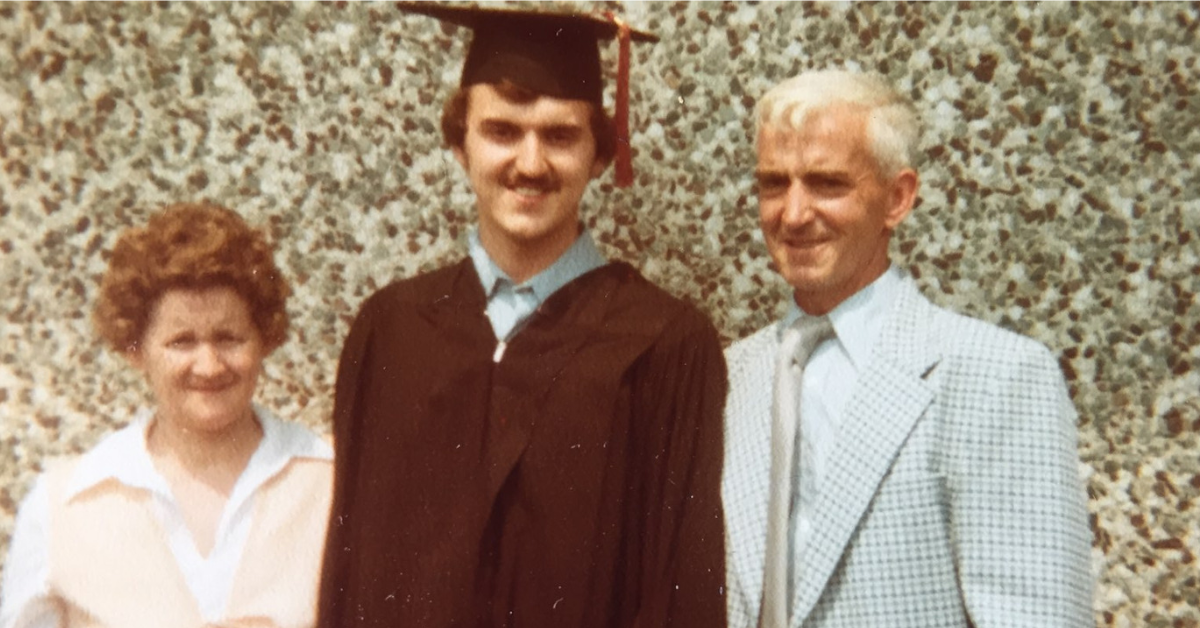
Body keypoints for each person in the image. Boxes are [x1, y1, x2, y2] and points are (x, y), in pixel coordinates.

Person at [317, 5, 727, 628]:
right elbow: (349, 579)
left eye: (559, 135)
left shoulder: (664, 344)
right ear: (459, 145)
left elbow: (680, 595)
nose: (530, 164)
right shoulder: (391, 330)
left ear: (599, 154)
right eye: (503, 131)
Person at [721, 70, 1094, 628]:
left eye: (827, 183)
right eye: (774, 183)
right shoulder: (729, 377)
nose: (793, 214)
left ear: (898, 198)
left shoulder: (998, 377)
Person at [0, 203, 333, 628]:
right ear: (135, 350)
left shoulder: (329, 482)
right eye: (181, 342)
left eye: (229, 338)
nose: (209, 365)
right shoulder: (64, 505)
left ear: (264, 339)